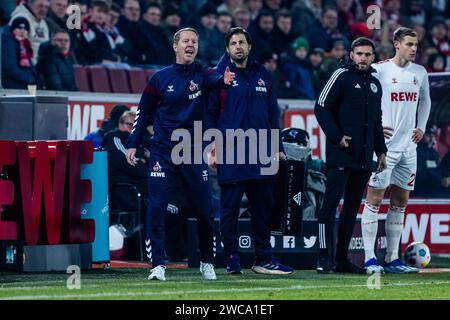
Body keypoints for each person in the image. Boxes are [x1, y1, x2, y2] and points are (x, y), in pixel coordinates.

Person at [126, 28, 235, 281]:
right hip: (163, 152)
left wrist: (225, 80)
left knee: (205, 210)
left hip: (192, 152)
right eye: (185, 41)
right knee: (156, 207)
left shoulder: (203, 73)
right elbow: (143, 113)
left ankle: (207, 261)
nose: (190, 45)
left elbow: (217, 78)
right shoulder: (159, 79)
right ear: (175, 46)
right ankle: (157, 265)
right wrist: (133, 143)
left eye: (194, 42)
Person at [206, 27, 293, 275]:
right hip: (230, 150)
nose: (238, 47)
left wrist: (277, 148)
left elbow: (273, 114)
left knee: (262, 208)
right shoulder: (218, 77)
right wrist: (212, 147)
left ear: (249, 46)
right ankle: (232, 257)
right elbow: (210, 114)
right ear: (227, 49)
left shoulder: (264, 75)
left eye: (242, 42)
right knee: (229, 209)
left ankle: (263, 258)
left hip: (261, 151)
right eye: (233, 43)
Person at [361, 27, 431, 274]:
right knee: (375, 199)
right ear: (396, 44)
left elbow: (426, 101)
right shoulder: (379, 70)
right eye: (409, 44)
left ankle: (392, 258)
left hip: (408, 148)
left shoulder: (420, 73)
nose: (414, 49)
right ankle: (370, 258)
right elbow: (365, 101)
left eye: (416, 45)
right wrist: (375, 129)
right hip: (385, 148)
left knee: (400, 201)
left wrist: (421, 127)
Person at [314, 37, 387, 274]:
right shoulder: (341, 76)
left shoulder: (376, 84)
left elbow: (376, 121)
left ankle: (342, 260)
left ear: (373, 57)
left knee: (351, 208)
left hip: (364, 158)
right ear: (351, 55)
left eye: (368, 54)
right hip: (341, 155)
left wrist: (381, 151)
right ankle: (324, 258)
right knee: (330, 206)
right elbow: (321, 106)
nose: (363, 58)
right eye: (359, 54)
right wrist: (337, 137)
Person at [1, 17, 42, 89]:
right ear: (13, 29)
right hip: (12, 88)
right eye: (19, 28)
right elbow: (10, 68)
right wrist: (30, 79)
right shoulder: (8, 44)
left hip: (22, 85)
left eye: (25, 29)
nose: (22, 31)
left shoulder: (25, 45)